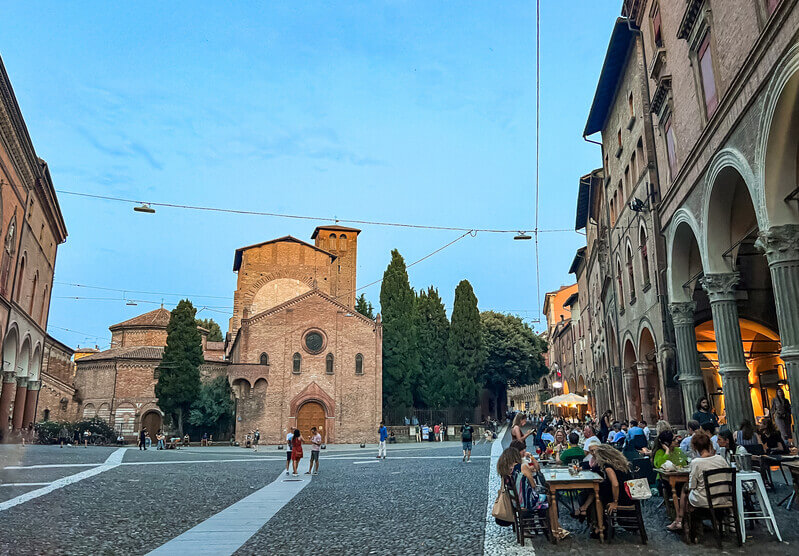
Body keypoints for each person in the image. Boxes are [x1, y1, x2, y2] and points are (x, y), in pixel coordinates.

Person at [668, 432, 729, 533]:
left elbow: (692, 485)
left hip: (705, 500)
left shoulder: (696, 463)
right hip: (723, 497)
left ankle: (679, 519)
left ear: (695, 448)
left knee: (685, 489)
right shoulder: (721, 459)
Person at [573, 444, 633, 535]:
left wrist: (615, 502)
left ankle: (600, 526)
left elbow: (615, 484)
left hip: (621, 496)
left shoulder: (608, 466)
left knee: (597, 495)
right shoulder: (619, 463)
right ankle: (589, 515)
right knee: (596, 490)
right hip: (628, 492)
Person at [496, 447, 546, 512]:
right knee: (549, 497)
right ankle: (553, 521)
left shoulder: (505, 470)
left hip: (513, 503)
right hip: (527, 502)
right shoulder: (522, 467)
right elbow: (533, 486)